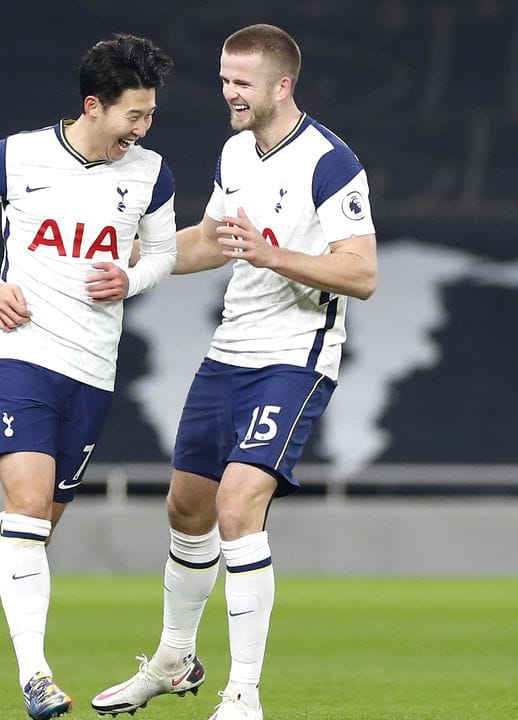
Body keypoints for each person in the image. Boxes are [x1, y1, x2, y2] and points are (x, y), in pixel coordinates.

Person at [90, 24, 377, 720]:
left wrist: (274, 253)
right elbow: (214, 242)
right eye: (224, 79)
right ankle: (174, 658)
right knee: (186, 508)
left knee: (237, 505)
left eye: (241, 82)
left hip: (295, 354)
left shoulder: (330, 162)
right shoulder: (234, 152)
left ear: (283, 86)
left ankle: (243, 692)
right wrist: (134, 264)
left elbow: (362, 273)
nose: (228, 93)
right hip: (230, 351)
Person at [0, 34, 176, 720]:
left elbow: (167, 253)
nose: (142, 130)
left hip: (93, 369)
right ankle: (36, 676)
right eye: (134, 116)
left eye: (149, 116)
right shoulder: (16, 156)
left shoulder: (151, 174)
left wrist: (132, 276)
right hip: (21, 354)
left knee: (30, 530)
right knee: (27, 511)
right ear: (94, 105)